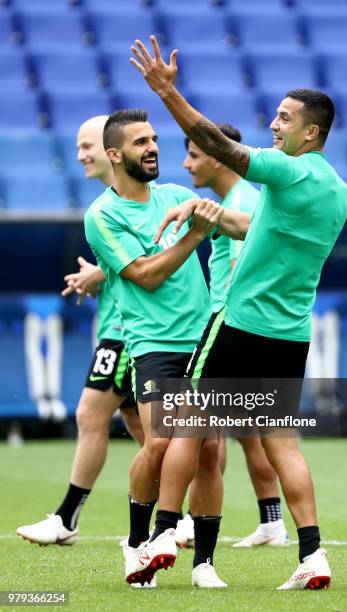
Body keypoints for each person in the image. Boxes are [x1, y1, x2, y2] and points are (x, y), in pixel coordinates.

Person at [128, 35, 347, 590]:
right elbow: (261, 231)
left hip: (241, 320)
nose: (274, 125)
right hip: (291, 333)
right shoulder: (337, 191)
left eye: (284, 118)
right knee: (283, 446)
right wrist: (209, 210)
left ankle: (161, 534)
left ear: (311, 132)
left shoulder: (287, 171)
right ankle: (313, 555)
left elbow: (218, 145)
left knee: (188, 426)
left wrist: (167, 93)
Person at [84, 109, 227, 588]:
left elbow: (233, 225)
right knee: (161, 442)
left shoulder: (179, 196)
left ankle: (203, 562)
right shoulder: (102, 215)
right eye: (140, 141)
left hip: (202, 340)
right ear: (114, 154)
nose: (153, 148)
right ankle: (138, 543)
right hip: (152, 342)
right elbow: (145, 275)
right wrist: (195, 234)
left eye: (153, 139)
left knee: (209, 452)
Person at [17, 116, 143, 548]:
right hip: (120, 326)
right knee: (148, 433)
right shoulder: (110, 203)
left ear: (112, 150)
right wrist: (99, 274)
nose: (79, 156)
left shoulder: (127, 204)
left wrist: (100, 274)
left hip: (129, 331)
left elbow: (145, 263)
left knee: (92, 415)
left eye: (86, 145)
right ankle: (181, 517)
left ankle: (68, 518)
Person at [182, 125, 289, 549]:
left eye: (193, 153)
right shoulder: (235, 200)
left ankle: (190, 521)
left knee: (205, 428)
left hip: (233, 324)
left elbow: (243, 270)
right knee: (250, 429)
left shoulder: (243, 202)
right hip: (241, 323)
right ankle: (272, 523)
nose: (187, 163)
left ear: (214, 155)